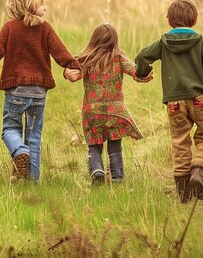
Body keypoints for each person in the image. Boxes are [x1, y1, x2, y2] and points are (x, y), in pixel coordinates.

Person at [0, 0, 80, 183]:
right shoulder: (46, 29)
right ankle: (32, 182)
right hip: (38, 93)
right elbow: (60, 51)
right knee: (34, 137)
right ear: (28, 7)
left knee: (10, 129)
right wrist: (72, 65)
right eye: (41, 4)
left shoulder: (9, 28)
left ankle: (19, 151)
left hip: (16, 91)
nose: (45, 7)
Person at [135, 0, 203, 203]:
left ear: (169, 21)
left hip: (174, 102)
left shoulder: (163, 42)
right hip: (200, 98)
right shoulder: (202, 43)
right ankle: (199, 173)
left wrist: (143, 73)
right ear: (194, 20)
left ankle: (184, 192)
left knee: (180, 141)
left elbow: (142, 57)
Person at [65, 23, 152, 184]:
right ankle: (117, 177)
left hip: (92, 110)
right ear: (114, 41)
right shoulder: (119, 59)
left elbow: (72, 73)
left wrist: (67, 72)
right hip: (116, 110)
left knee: (94, 145)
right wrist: (147, 74)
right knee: (115, 146)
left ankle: (97, 171)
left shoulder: (86, 60)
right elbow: (137, 72)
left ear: (94, 40)